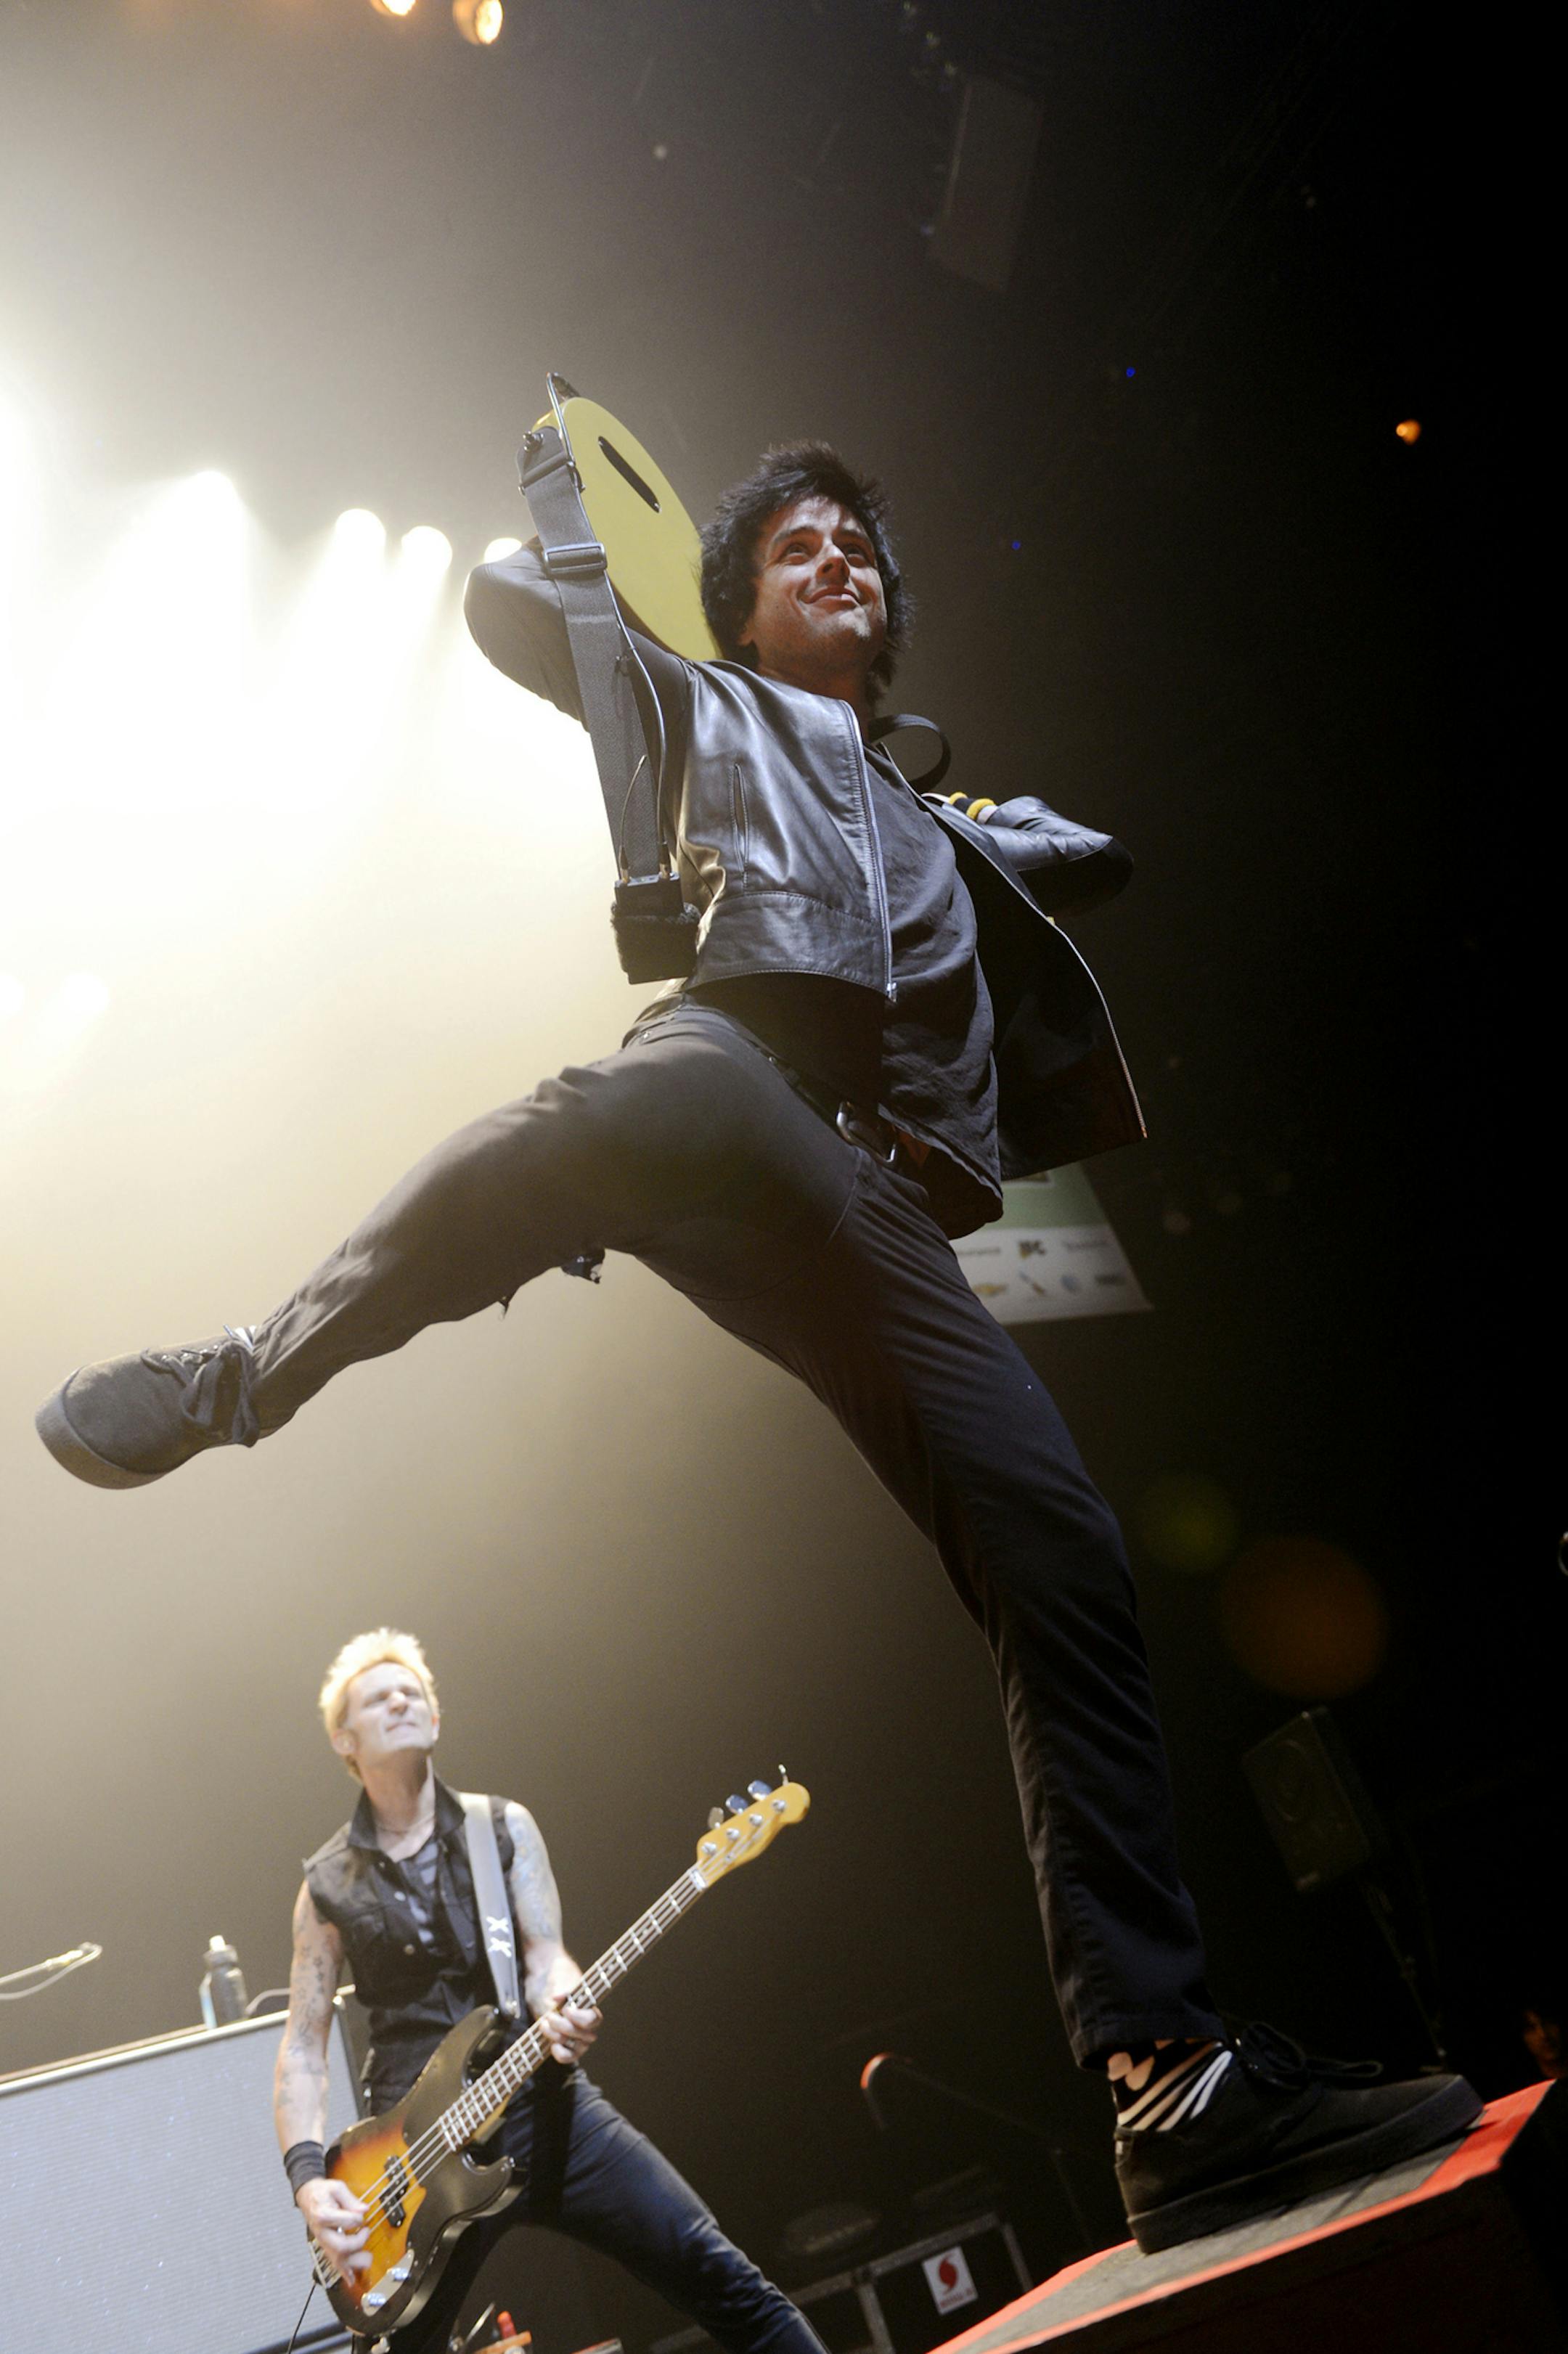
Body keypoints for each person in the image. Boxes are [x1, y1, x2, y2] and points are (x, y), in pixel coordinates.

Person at [41, 444, 1477, 2249]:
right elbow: (507, 607)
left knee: (1063, 1549)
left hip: (870, 1214)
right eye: (795, 546)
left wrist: (1008, 834)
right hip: (736, 1079)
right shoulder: (697, 696)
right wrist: (583, 529)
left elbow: (1088, 860)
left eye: (858, 547)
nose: (837, 560)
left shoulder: (954, 825)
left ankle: (1167, 2084)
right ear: (728, 602)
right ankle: (247, 1371)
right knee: (562, 1136)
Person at [277, 1627, 823, 2354]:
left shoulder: (501, 1828)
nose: (402, 1700)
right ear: (345, 1740)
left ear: (436, 1719)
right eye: (379, 1697)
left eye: (414, 1692)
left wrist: (565, 2005)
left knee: (716, 2271)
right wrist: (311, 2183)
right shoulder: (325, 1887)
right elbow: (304, 2051)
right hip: (412, 2161)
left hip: (541, 2102)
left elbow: (545, 1960)